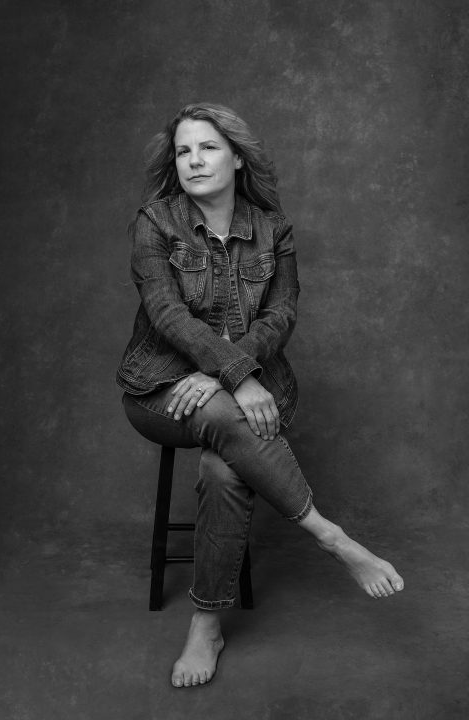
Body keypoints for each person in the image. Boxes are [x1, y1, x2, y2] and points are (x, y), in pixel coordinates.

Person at [116, 102, 404, 688]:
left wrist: (225, 375)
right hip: (158, 391)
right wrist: (235, 377)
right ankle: (331, 535)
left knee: (225, 472)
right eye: (183, 150)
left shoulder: (274, 230)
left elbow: (281, 317)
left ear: (238, 157)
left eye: (208, 147)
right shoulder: (156, 221)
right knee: (226, 416)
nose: (193, 160)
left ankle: (206, 623)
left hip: (251, 396)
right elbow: (167, 315)